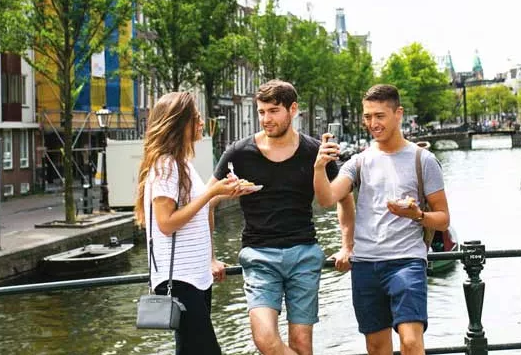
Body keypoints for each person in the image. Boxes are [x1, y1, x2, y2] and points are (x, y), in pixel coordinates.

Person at [214, 80, 355, 355]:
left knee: (302, 344)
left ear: (293, 110)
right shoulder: (239, 153)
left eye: (273, 111)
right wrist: (209, 256)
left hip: (304, 254)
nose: (266, 119)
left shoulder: (315, 152)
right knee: (265, 339)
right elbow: (207, 200)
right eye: (261, 111)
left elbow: (344, 199)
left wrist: (347, 246)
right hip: (258, 256)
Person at [313, 84, 451, 355]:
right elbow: (328, 198)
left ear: (398, 114)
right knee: (376, 347)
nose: (372, 123)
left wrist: (418, 215)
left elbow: (444, 219)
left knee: (411, 342)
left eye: (379, 116)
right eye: (367, 117)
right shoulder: (358, 162)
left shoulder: (424, 160)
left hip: (407, 261)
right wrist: (319, 167)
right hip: (366, 264)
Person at [136, 92, 244, 355]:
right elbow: (166, 223)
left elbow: (196, 216)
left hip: (196, 277)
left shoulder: (182, 163)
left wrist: (210, 259)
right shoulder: (165, 165)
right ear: (178, 123)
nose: (201, 123)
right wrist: (211, 193)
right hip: (178, 280)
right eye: (195, 118)